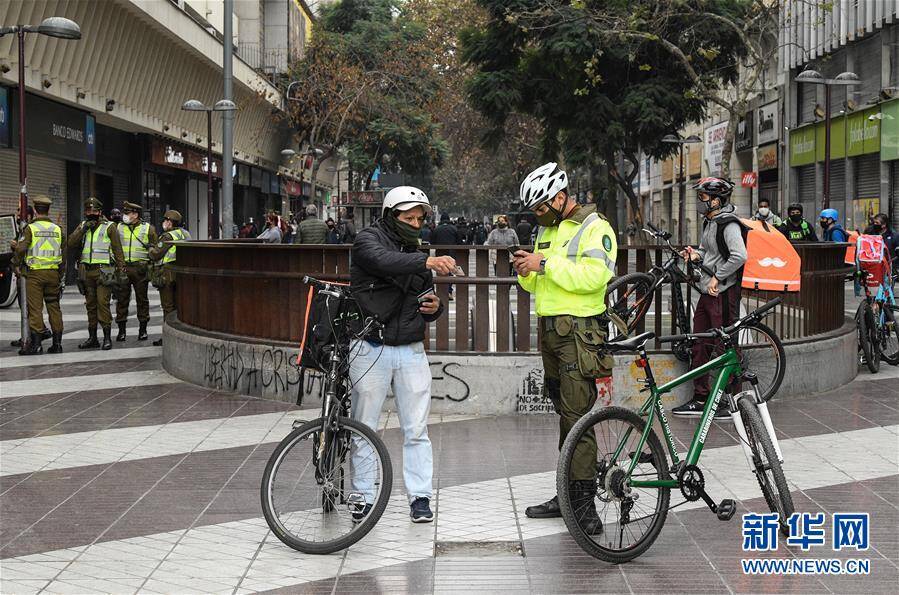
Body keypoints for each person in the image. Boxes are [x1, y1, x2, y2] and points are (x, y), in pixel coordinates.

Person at [514, 162, 616, 534]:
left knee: (578, 417)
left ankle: (585, 504)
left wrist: (546, 263)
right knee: (564, 413)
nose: (537, 215)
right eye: (534, 210)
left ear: (560, 196)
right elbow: (539, 285)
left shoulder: (595, 226)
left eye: (541, 206)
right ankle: (567, 492)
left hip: (579, 334)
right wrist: (527, 271)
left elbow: (596, 276)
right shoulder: (547, 229)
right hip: (552, 332)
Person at [349, 186, 456, 524]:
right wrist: (425, 259)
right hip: (371, 347)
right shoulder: (368, 240)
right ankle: (363, 496)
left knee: (416, 429)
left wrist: (436, 307)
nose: (415, 223)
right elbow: (382, 261)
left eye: (420, 218)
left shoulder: (418, 254)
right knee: (364, 426)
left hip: (410, 349)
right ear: (391, 215)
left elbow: (427, 299)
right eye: (408, 217)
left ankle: (420, 498)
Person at [672, 178, 746, 419]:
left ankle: (732, 400)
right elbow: (708, 251)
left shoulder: (729, 224)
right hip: (707, 292)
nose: (700, 202)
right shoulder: (711, 222)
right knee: (700, 343)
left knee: (725, 345)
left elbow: (739, 256)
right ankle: (702, 398)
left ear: (717, 200)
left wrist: (718, 277)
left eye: (703, 197)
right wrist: (695, 254)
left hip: (722, 293)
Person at [67, 197, 125, 351]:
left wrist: (121, 271)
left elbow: (118, 250)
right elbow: (71, 243)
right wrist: (83, 229)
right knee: (90, 306)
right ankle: (93, 338)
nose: (90, 213)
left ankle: (107, 338)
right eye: (88, 210)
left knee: (102, 304)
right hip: (86, 271)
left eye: (94, 211)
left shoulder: (110, 227)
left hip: (104, 271)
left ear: (100, 212)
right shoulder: (83, 226)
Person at [11, 195, 66, 355]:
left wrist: (15, 263)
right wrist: (60, 274)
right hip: (53, 274)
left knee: (35, 309)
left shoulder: (31, 228)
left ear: (35, 210)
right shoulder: (58, 229)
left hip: (35, 275)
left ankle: (36, 345)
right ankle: (57, 344)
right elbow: (64, 255)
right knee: (54, 308)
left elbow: (21, 249)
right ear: (48, 210)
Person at [115, 201, 157, 342]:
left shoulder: (148, 229)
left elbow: (154, 249)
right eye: (124, 213)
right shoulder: (119, 227)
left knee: (142, 300)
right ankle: (121, 331)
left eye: (127, 213)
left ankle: (143, 330)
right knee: (122, 300)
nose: (124, 216)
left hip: (140, 270)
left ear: (135, 215)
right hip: (124, 268)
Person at [149, 210, 191, 347]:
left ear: (170, 222)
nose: (164, 223)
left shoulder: (167, 236)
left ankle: (168, 336)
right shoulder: (185, 233)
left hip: (167, 273)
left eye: (166, 221)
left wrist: (150, 249)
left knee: (168, 306)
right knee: (179, 305)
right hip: (181, 273)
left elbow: (156, 254)